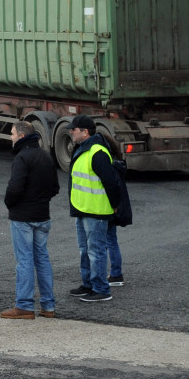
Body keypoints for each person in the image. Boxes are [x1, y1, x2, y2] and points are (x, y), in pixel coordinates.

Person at [0, 121, 60, 320]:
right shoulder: (45, 156)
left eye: (12, 133)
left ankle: (24, 305)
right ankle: (48, 305)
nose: (11, 137)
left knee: (24, 260)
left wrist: (10, 203)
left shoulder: (22, 158)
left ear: (22, 136)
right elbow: (55, 188)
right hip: (42, 215)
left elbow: (15, 188)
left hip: (23, 217)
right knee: (42, 259)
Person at [67, 115, 122, 302]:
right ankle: (89, 285)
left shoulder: (96, 151)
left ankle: (101, 289)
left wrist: (115, 206)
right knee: (85, 250)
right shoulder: (83, 149)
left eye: (73, 129)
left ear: (85, 132)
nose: (70, 132)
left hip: (96, 211)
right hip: (83, 209)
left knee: (95, 251)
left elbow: (111, 182)